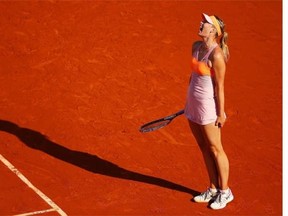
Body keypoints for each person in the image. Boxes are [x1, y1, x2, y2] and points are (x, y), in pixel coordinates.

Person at [184, 13, 233, 210]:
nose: (201, 24)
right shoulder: (196, 47)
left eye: (205, 23)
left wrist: (221, 113)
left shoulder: (217, 55)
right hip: (193, 104)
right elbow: (193, 76)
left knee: (215, 148)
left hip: (208, 107)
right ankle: (213, 188)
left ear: (213, 30)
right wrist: (190, 100)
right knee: (203, 147)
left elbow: (219, 87)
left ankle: (225, 191)